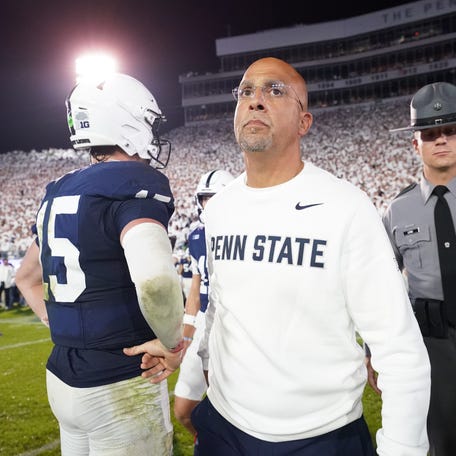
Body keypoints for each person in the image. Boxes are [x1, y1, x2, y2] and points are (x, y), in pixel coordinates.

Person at [182, 57, 430, 455]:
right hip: (224, 428)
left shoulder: (346, 207)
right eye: (246, 91)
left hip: (321, 435)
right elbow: (219, 310)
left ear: (304, 123)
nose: (256, 100)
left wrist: (403, 447)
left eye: (275, 91)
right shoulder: (219, 209)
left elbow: (398, 347)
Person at [15, 73, 184, 456]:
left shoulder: (60, 189)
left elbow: (25, 278)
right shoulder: (134, 182)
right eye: (150, 123)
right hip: (119, 379)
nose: (154, 134)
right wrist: (172, 344)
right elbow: (156, 281)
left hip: (62, 375)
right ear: (126, 122)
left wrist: (59, 321)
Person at [381, 81, 456, 456]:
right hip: (432, 347)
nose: (441, 140)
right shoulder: (398, 210)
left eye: (450, 130)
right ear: (416, 144)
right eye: (430, 133)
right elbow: (381, 285)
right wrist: (373, 352)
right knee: (438, 444)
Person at [173, 169, 234, 440]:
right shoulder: (196, 235)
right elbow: (196, 286)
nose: (208, 204)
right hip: (203, 322)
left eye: (215, 197)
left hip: (233, 324)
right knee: (184, 409)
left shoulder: (243, 231)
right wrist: (187, 333)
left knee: (232, 410)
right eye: (205, 197)